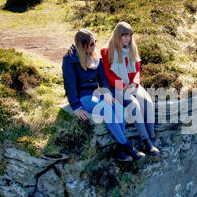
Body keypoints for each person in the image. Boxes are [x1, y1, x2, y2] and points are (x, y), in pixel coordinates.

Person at [62, 28, 145, 162]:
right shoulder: (70, 59)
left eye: (95, 42)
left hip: (96, 93)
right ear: (83, 46)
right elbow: (69, 84)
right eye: (91, 44)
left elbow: (103, 79)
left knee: (119, 109)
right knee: (106, 109)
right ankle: (128, 148)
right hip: (82, 96)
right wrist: (76, 106)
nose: (95, 46)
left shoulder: (95, 57)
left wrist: (106, 92)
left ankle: (120, 152)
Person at [101, 22, 160, 156]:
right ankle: (146, 142)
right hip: (116, 87)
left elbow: (137, 70)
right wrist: (123, 87)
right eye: (124, 35)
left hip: (131, 84)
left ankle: (151, 137)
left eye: (129, 36)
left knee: (147, 102)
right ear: (118, 36)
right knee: (134, 104)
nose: (128, 39)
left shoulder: (132, 48)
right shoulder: (106, 51)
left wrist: (134, 83)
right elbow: (107, 75)